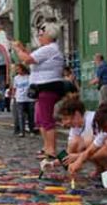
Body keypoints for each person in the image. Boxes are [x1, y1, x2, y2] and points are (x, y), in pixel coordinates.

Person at [13, 24, 68, 160]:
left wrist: (17, 49)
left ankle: (51, 149)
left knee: (46, 119)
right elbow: (31, 57)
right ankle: (46, 146)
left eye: (41, 34)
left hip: (47, 86)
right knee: (40, 119)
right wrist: (23, 50)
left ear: (48, 35)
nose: (39, 37)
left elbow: (26, 59)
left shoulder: (49, 49)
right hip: (42, 87)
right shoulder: (48, 50)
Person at [12, 63, 35, 137]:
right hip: (20, 98)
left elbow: (34, 87)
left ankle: (32, 130)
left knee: (31, 115)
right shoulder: (16, 78)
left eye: (18, 69)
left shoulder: (30, 77)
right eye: (16, 69)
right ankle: (22, 132)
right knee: (21, 116)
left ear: (23, 69)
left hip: (30, 99)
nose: (17, 70)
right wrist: (14, 96)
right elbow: (14, 88)